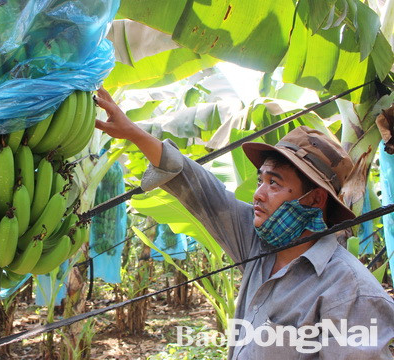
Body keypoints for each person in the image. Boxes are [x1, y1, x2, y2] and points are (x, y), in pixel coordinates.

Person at [94, 87, 394, 359]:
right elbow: (202, 190)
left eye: (275, 184)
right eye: (261, 180)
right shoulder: (257, 245)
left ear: (315, 200)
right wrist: (133, 132)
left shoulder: (350, 292)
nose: (258, 195)